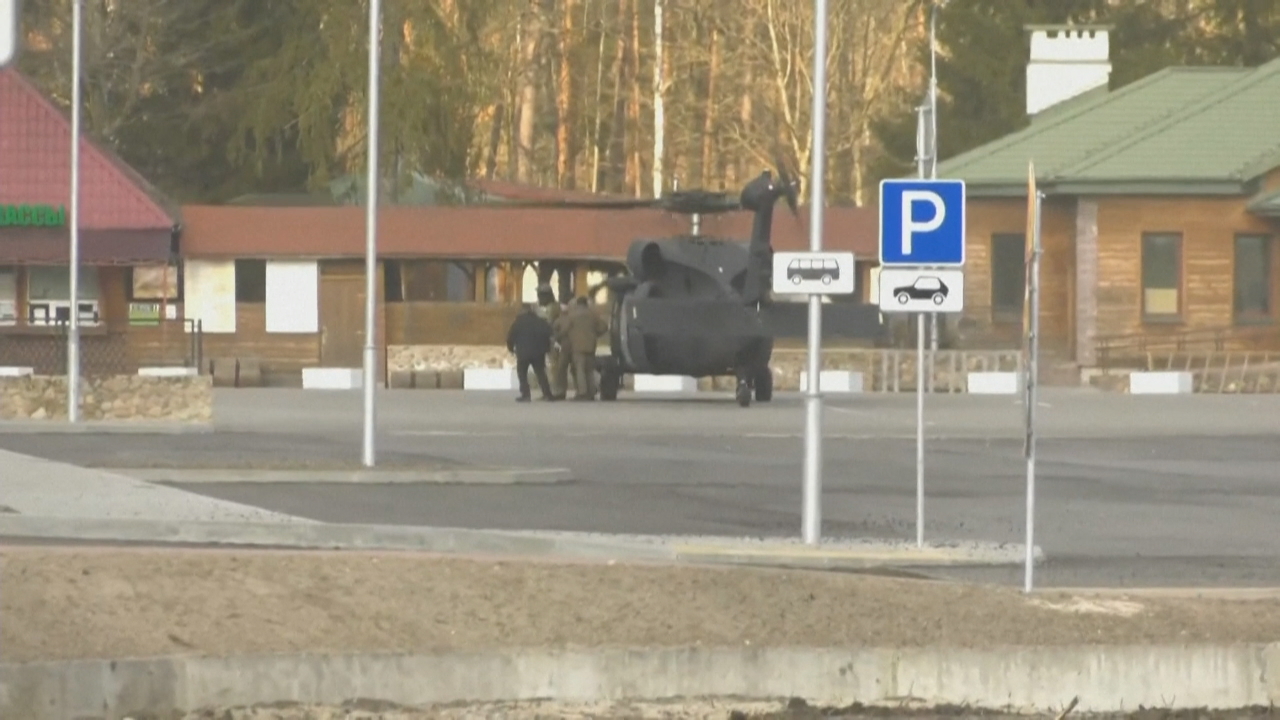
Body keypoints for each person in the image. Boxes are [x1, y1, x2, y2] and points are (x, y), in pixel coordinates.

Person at [505, 304, 555, 402]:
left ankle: (525, 395)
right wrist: (547, 348)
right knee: (540, 373)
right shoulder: (540, 321)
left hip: (523, 352)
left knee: (522, 374)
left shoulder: (518, 323)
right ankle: (547, 394)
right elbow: (549, 333)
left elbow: (510, 337)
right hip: (539, 352)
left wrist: (511, 349)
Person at [563, 296, 608, 401]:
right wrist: (596, 334)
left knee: (580, 370)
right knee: (589, 370)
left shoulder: (572, 315)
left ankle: (582, 393)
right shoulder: (593, 315)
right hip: (591, 345)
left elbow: (565, 329)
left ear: (577, 304)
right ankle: (591, 392)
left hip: (577, 346)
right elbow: (604, 327)